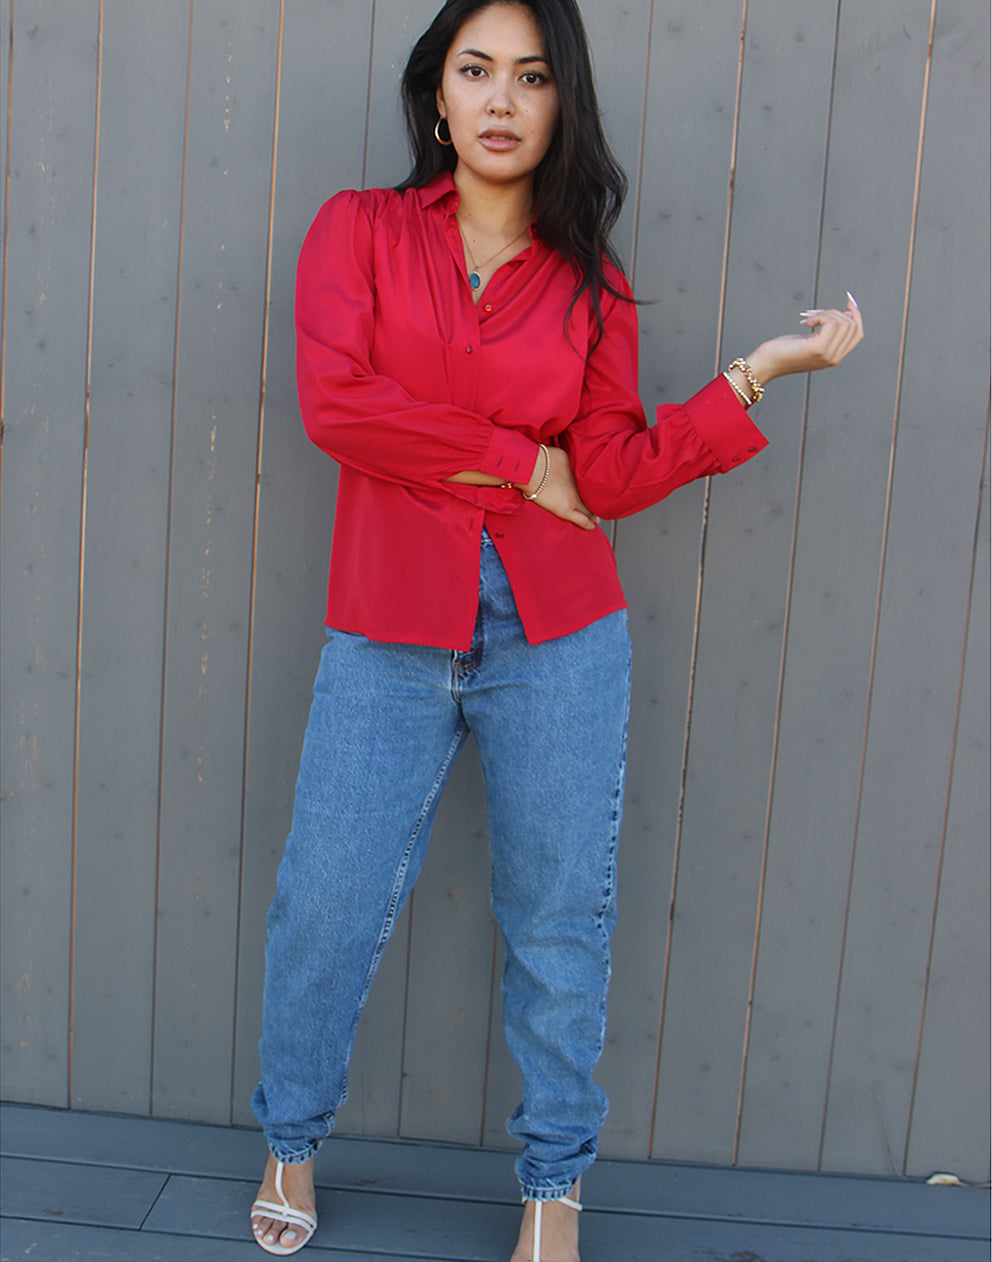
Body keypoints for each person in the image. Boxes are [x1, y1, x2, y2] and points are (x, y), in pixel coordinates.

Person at [248, 1, 864, 1257]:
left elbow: (613, 472)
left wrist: (751, 378)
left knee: (559, 921)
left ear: (557, 104)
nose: (498, 99)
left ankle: (553, 1188)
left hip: (560, 632)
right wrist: (512, 463)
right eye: (475, 71)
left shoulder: (592, 283)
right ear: (436, 93)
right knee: (328, 896)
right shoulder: (355, 231)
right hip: (390, 624)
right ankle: (289, 1144)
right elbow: (338, 406)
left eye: (530, 77)